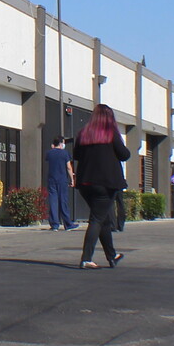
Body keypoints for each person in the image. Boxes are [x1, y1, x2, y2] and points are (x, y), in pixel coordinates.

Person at [72, 103, 130, 269]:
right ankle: (86, 258)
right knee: (97, 219)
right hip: (106, 183)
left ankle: (112, 256)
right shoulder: (110, 133)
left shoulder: (83, 133)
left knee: (102, 219)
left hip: (85, 183)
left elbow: (76, 155)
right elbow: (124, 155)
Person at [43, 134, 76, 230]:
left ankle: (54, 225)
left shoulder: (49, 153)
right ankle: (68, 224)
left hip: (52, 179)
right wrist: (72, 179)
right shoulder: (65, 153)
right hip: (62, 180)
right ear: (61, 143)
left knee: (53, 201)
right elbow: (69, 167)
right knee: (63, 201)